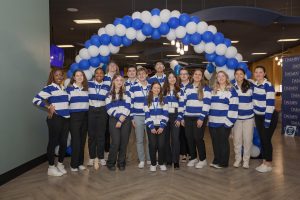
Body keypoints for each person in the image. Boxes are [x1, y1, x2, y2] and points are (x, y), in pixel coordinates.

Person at [32, 68, 69, 176]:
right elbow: (35, 100)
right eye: (56, 75)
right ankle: (51, 167)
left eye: (61, 75)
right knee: (53, 142)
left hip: (66, 118)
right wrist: (48, 106)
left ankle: (60, 164)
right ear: (52, 76)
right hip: (56, 118)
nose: (59, 77)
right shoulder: (49, 88)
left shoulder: (64, 88)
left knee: (63, 142)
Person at [179, 69, 211, 169]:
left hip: (199, 117)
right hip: (187, 117)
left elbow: (207, 104)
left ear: (202, 76)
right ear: (192, 76)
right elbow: (182, 103)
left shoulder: (206, 88)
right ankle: (193, 158)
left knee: (198, 138)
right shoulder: (187, 88)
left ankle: (203, 159)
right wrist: (181, 117)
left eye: (199, 74)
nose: (197, 76)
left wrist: (201, 118)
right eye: (195, 74)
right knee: (189, 138)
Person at [208, 71, 239, 169]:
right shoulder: (213, 91)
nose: (220, 78)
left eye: (223, 76)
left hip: (224, 122)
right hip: (212, 122)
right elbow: (208, 105)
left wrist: (228, 122)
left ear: (226, 77)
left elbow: (234, 107)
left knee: (223, 142)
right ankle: (216, 160)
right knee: (215, 142)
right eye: (218, 76)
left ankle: (223, 162)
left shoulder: (231, 91)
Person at [105, 75, 131, 171]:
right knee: (115, 142)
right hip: (113, 119)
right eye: (117, 80)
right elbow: (108, 108)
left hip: (125, 119)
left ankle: (121, 163)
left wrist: (121, 119)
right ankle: (111, 162)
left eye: (121, 80)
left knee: (124, 143)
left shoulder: (127, 93)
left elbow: (128, 107)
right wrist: (118, 118)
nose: (119, 82)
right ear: (113, 82)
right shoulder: (109, 94)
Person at [252, 66, 275, 173]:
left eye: (260, 72)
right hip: (258, 116)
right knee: (262, 139)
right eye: (256, 72)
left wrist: (267, 121)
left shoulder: (268, 85)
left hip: (268, 116)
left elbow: (270, 105)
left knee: (266, 140)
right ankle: (265, 162)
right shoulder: (254, 85)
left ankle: (268, 163)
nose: (258, 74)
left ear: (264, 73)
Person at [87, 67, 111, 169]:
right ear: (94, 74)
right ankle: (92, 157)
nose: (99, 75)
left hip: (102, 110)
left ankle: (101, 157)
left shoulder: (107, 85)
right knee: (92, 135)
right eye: (97, 73)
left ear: (104, 75)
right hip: (91, 110)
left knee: (101, 135)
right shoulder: (88, 84)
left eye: (101, 73)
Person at [66, 70, 89, 172]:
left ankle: (80, 163)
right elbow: (65, 103)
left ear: (83, 77)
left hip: (85, 116)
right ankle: (73, 164)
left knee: (82, 140)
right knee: (76, 140)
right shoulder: (69, 90)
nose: (79, 77)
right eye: (77, 75)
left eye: (81, 75)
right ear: (74, 78)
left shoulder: (86, 90)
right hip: (74, 117)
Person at [232, 68, 254, 169]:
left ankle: (246, 161)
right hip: (236, 119)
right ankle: (238, 159)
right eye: (237, 74)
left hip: (248, 118)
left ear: (244, 75)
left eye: (241, 74)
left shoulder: (250, 85)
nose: (239, 76)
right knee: (237, 140)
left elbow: (254, 100)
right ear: (234, 75)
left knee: (247, 140)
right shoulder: (231, 86)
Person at [129, 67, 151, 168]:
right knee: (139, 140)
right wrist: (132, 117)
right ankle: (142, 159)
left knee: (150, 139)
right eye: (139, 74)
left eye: (143, 73)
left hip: (150, 116)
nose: (142, 75)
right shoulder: (133, 87)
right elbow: (131, 103)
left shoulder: (152, 87)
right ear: (137, 76)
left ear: (147, 75)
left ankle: (150, 159)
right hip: (137, 116)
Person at [144, 82, 169, 172]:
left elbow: (166, 113)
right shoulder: (147, 99)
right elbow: (147, 114)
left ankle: (161, 163)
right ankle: (153, 164)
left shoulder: (164, 99)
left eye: (158, 88)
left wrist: (162, 126)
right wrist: (151, 126)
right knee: (153, 145)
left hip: (161, 126)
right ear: (151, 89)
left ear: (160, 89)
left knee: (161, 145)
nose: (156, 89)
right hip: (151, 126)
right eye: (155, 88)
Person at [162, 72, 181, 169]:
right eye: (170, 77)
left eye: (173, 77)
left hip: (176, 116)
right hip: (165, 116)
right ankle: (168, 160)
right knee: (165, 139)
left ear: (176, 79)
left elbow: (183, 105)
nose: (172, 79)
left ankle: (176, 161)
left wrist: (179, 118)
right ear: (167, 79)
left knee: (175, 139)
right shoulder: (163, 90)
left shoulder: (180, 90)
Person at [103, 61, 120, 158]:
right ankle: (106, 153)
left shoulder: (119, 78)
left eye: (115, 65)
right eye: (111, 65)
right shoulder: (103, 77)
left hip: (118, 107)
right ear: (108, 67)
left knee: (116, 131)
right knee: (106, 131)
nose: (113, 66)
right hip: (106, 107)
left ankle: (116, 152)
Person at [178, 68, 191, 162]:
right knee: (181, 135)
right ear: (179, 76)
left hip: (190, 114)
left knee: (190, 135)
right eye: (181, 74)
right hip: (180, 114)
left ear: (188, 75)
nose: (183, 75)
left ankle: (191, 153)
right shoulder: (177, 87)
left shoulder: (193, 86)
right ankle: (183, 154)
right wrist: (181, 117)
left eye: (185, 74)